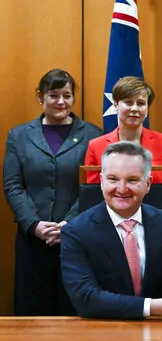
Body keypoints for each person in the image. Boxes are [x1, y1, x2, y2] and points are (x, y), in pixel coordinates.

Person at [61, 141, 162, 319]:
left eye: (132, 180)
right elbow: (86, 298)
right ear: (101, 181)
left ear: (148, 184)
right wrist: (155, 306)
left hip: (161, 331)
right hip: (101, 330)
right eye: (113, 179)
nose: (121, 189)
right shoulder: (76, 231)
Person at [3, 69, 103, 315]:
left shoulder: (93, 135)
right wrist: (34, 223)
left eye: (67, 95)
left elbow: (93, 186)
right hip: (32, 239)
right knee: (31, 312)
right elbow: (13, 185)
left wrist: (68, 224)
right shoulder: (19, 135)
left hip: (77, 238)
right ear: (40, 97)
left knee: (74, 312)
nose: (61, 102)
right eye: (54, 95)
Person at [84, 76, 162, 203]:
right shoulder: (96, 146)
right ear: (115, 104)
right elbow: (90, 195)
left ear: (147, 109)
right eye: (128, 102)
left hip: (154, 218)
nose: (134, 108)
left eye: (141, 103)